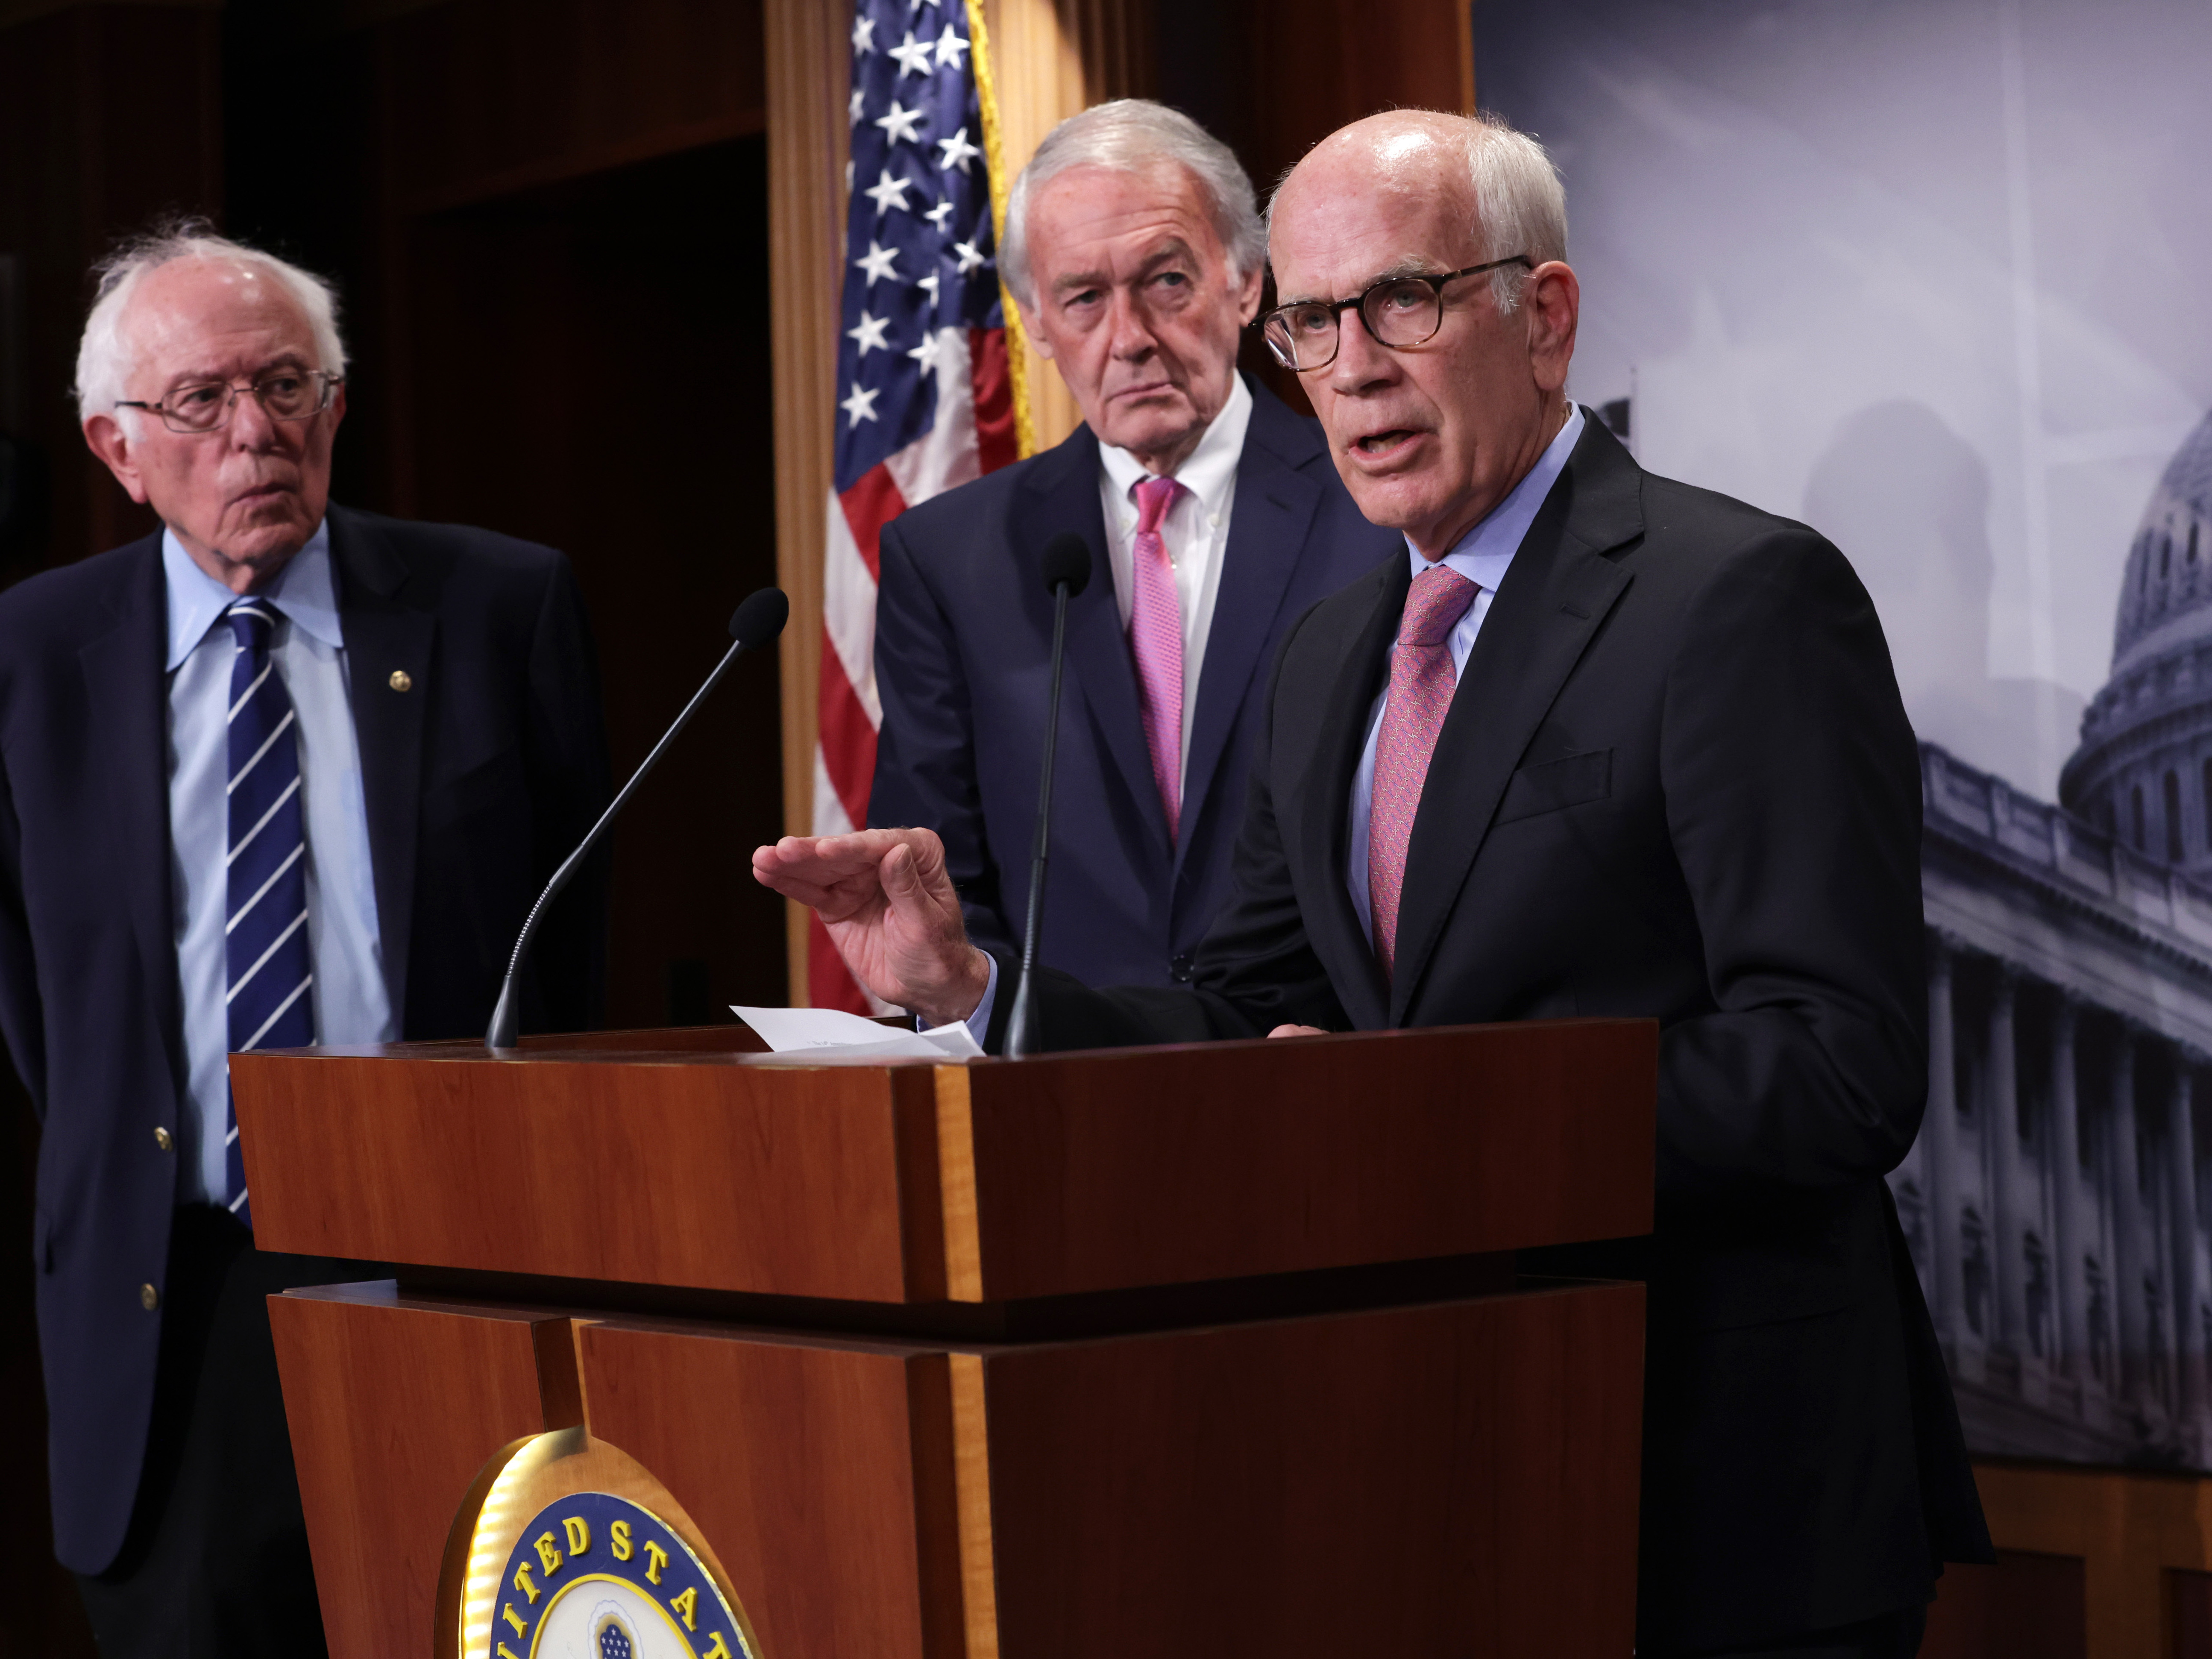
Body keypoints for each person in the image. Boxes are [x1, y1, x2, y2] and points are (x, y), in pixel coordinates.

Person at [759, 111, 1989, 1657]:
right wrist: (972, 987)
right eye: (1309, 323)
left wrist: (1418, 1115)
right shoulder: (1338, 651)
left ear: (1539, 320)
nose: (1347, 366)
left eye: (1401, 301)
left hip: (1720, 1482)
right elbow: (1243, 1007)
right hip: (1427, 1474)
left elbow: (1836, 1065)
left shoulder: (1736, 599)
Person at [0, 222, 610, 1655]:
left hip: (439, 1270)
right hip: (173, 1301)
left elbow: (565, 961)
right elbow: (37, 991)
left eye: (285, 386)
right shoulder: (30, 658)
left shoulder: (499, 606)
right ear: (114, 445)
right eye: (200, 400)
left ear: (336, 407)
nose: (253, 432)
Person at [868, 99, 1398, 987]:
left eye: (1165, 282)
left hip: (1321, 1071)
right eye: (1083, 298)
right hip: (1057, 1088)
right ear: (1036, 322)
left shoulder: (1379, 510)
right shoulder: (949, 561)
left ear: (1246, 282)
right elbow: (939, 880)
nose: (1130, 340)